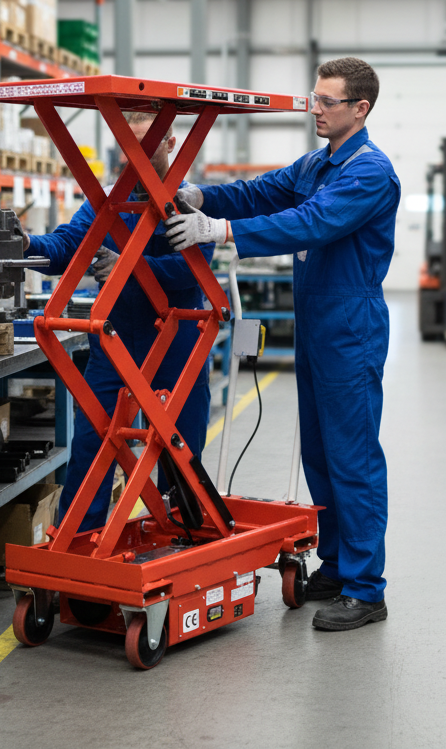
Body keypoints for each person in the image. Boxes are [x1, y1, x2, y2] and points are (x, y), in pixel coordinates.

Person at [165, 57, 401, 633]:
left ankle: (367, 590)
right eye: (313, 97)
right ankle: (338, 567)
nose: (314, 108)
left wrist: (221, 233)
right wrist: (202, 197)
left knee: (354, 458)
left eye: (327, 101)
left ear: (360, 108)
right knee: (319, 453)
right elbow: (261, 193)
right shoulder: (319, 163)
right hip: (317, 322)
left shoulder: (369, 172)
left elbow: (312, 223)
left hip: (350, 324)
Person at [21, 112, 215, 533]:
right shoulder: (105, 201)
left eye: (147, 144)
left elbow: (191, 270)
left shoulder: (189, 203)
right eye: (130, 146)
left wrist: (130, 265)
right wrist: (24, 243)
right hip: (115, 344)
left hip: (176, 345)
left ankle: (180, 534)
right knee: (93, 442)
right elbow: (66, 248)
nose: (138, 155)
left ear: (170, 144)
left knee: (180, 449)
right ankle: (78, 541)